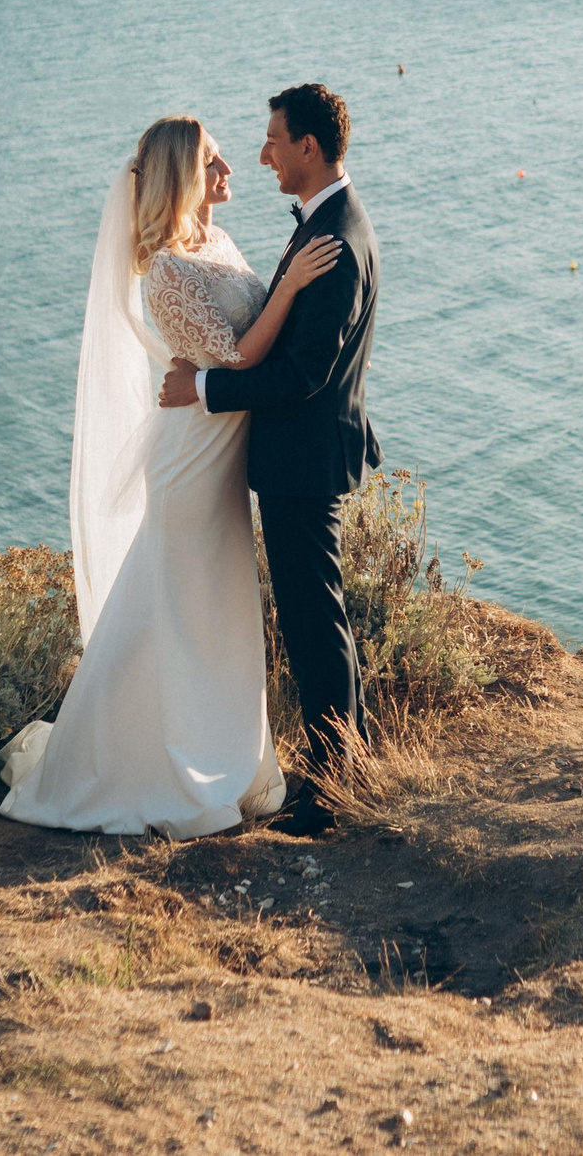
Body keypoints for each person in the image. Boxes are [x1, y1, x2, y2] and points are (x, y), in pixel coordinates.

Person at [0, 113, 342, 838]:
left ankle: (228, 757)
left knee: (218, 611)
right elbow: (239, 357)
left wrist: (286, 287)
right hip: (193, 460)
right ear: (184, 173)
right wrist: (294, 284)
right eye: (214, 162)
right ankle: (161, 764)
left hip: (224, 452)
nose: (230, 171)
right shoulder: (163, 269)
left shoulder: (218, 240)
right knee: (182, 608)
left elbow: (235, 347)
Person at [159, 82, 380, 837]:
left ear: (308, 148)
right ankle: (353, 761)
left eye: (274, 141)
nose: (263, 155)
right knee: (322, 617)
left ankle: (327, 792)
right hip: (301, 455)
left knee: (315, 623)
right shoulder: (328, 225)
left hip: (302, 459)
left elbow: (301, 374)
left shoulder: (337, 243)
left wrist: (205, 385)